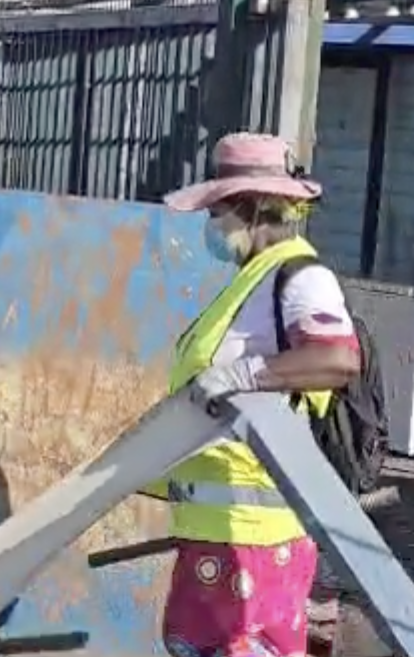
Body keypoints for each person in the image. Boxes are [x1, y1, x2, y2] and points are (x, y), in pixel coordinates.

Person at [156, 132, 363, 657]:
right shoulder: (251, 279)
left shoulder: (299, 275)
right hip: (215, 531)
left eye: (218, 210)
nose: (211, 225)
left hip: (257, 535)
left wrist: (245, 374)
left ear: (251, 208)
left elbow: (337, 359)